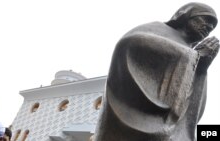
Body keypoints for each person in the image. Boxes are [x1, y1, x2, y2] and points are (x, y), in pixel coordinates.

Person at [94, 2, 219, 141]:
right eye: (206, 20)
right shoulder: (158, 29)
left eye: (213, 27)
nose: (209, 27)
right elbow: (128, 44)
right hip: (132, 119)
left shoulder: (191, 50)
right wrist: (193, 57)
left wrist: (201, 68)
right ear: (185, 15)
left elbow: (191, 111)